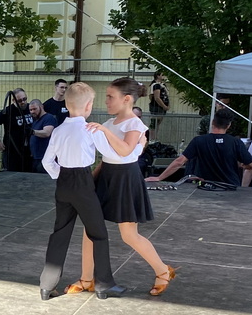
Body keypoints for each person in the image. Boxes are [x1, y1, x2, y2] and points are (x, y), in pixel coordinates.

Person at [72, 78, 177, 297]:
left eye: (110, 96)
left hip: (125, 179)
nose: (106, 101)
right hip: (107, 176)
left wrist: (104, 131)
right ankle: (86, 278)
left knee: (129, 235)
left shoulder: (134, 124)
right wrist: (91, 179)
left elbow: (124, 150)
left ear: (126, 99)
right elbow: (107, 157)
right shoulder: (110, 123)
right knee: (90, 230)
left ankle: (162, 270)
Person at [38, 82, 126, 301]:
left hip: (63, 183)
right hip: (83, 183)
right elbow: (112, 153)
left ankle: (46, 285)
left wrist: (61, 176)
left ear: (67, 104)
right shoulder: (90, 129)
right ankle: (104, 284)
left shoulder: (58, 130)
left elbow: (47, 161)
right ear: (88, 106)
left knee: (60, 232)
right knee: (98, 233)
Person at [147, 110, 252, 187]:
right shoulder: (235, 142)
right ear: (229, 125)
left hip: (206, 187)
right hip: (229, 186)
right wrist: (246, 165)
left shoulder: (199, 141)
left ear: (213, 123)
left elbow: (179, 162)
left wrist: (159, 178)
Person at [0, 88, 34, 172]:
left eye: (24, 99)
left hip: (28, 149)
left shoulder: (30, 108)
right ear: (13, 100)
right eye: (20, 100)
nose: (23, 102)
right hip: (12, 149)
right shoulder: (8, 111)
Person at [28, 100, 57, 172]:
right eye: (31, 110)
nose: (32, 112)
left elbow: (47, 133)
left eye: (35, 109)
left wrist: (32, 132)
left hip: (44, 157)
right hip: (36, 157)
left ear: (41, 107)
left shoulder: (49, 118)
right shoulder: (35, 120)